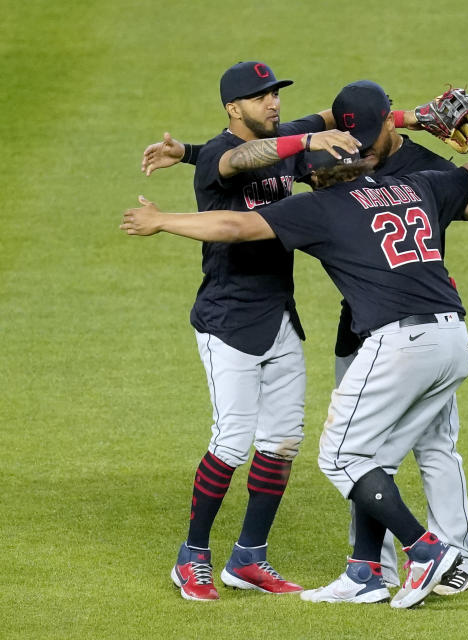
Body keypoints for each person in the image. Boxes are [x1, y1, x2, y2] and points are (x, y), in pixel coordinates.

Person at [120, 88, 468, 609]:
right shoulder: (416, 182)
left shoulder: (322, 208)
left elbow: (236, 226)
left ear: (320, 173)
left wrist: (162, 220)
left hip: (400, 343)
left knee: (341, 455)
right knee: (381, 455)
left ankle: (427, 551)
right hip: (454, 339)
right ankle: (366, 573)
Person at [160, 60, 363, 602]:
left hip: (279, 316)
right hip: (227, 319)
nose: (272, 103)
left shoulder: (278, 138)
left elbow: (324, 118)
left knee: (281, 442)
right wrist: (307, 138)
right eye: (261, 97)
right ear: (233, 108)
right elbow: (237, 159)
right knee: (230, 443)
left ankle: (248, 557)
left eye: (275, 94)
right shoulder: (226, 157)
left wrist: (402, 116)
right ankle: (192, 557)